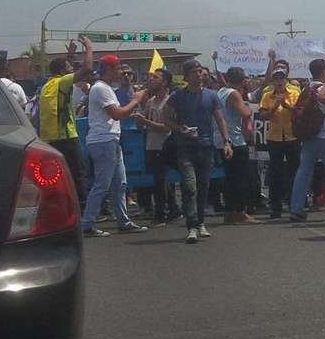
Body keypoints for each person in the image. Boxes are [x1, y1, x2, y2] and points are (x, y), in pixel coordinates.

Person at [165, 59, 235, 243]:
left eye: (200, 71)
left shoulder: (211, 96)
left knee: (204, 186)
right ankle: (192, 225)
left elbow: (220, 120)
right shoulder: (178, 96)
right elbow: (167, 119)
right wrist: (180, 129)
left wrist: (227, 142)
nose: (198, 75)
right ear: (186, 76)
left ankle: (201, 222)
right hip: (185, 147)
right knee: (189, 186)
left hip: (206, 147)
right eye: (194, 72)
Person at [80, 54, 150, 237]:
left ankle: (123, 221)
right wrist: (135, 99)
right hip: (103, 140)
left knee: (120, 184)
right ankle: (87, 224)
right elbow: (117, 114)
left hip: (111, 139)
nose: (121, 73)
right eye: (119, 69)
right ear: (110, 69)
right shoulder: (101, 89)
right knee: (102, 185)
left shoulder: (106, 88)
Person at [37, 36, 94, 208]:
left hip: (50, 138)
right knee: (78, 174)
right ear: (63, 71)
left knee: (56, 176)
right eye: (70, 68)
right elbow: (88, 69)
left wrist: (70, 55)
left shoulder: (47, 83)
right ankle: (83, 213)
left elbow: (61, 68)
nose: (72, 71)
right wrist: (89, 48)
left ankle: (58, 207)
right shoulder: (63, 82)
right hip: (68, 136)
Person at [289, 58, 325, 222]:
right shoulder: (321, 90)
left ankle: (296, 208)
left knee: (303, 172)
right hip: (324, 135)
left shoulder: (307, 88)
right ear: (324, 71)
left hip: (309, 136)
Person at [132, 68, 181, 226]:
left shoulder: (169, 102)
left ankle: (161, 214)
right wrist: (139, 114)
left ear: (164, 82)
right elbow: (141, 125)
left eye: (156, 77)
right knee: (159, 179)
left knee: (160, 182)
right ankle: (174, 209)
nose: (151, 79)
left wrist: (146, 122)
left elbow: (166, 127)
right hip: (151, 144)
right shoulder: (150, 101)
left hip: (165, 144)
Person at [216, 67, 260, 225]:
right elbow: (245, 113)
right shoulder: (234, 94)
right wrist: (247, 105)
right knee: (242, 178)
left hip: (222, 139)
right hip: (235, 140)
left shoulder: (220, 91)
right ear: (242, 81)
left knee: (230, 178)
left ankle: (229, 211)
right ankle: (240, 211)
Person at [260, 65, 302, 219]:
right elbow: (263, 115)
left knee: (294, 172)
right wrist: (274, 108)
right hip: (275, 138)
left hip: (292, 137)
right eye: (276, 78)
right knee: (275, 173)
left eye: (281, 78)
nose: (279, 81)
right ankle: (275, 207)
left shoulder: (294, 93)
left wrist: (286, 105)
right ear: (273, 81)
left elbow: (299, 113)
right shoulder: (267, 96)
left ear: (286, 80)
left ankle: (294, 204)